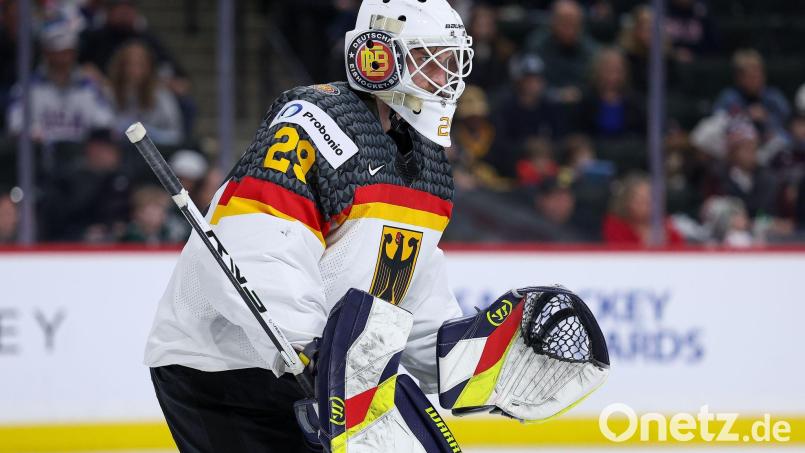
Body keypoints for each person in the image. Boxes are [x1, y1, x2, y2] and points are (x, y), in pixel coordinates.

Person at [145, 1, 474, 451]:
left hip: (316, 372)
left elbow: (401, 286)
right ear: (378, 57)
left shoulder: (425, 163)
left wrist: (466, 358)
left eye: (451, 61)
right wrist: (311, 346)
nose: (444, 76)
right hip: (224, 370)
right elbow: (258, 242)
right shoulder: (314, 123)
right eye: (428, 59)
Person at [6, 20, 113, 143]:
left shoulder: (89, 87)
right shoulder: (26, 87)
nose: (63, 59)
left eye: (68, 52)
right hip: (40, 151)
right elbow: (16, 124)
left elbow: (105, 122)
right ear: (46, 53)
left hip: (80, 152)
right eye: (57, 52)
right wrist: (34, 135)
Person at [108, 40, 184, 145]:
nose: (134, 71)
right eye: (129, 65)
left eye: (140, 65)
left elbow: (176, 135)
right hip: (119, 151)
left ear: (149, 67)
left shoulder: (161, 95)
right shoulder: (109, 92)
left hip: (157, 150)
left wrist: (150, 134)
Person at [524, 0, 599, 104]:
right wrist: (556, 94)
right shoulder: (537, 45)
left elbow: (594, 82)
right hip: (544, 104)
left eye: (573, 23)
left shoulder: (591, 49)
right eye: (564, 22)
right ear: (552, 22)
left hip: (581, 104)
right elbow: (531, 82)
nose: (569, 28)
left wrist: (579, 92)